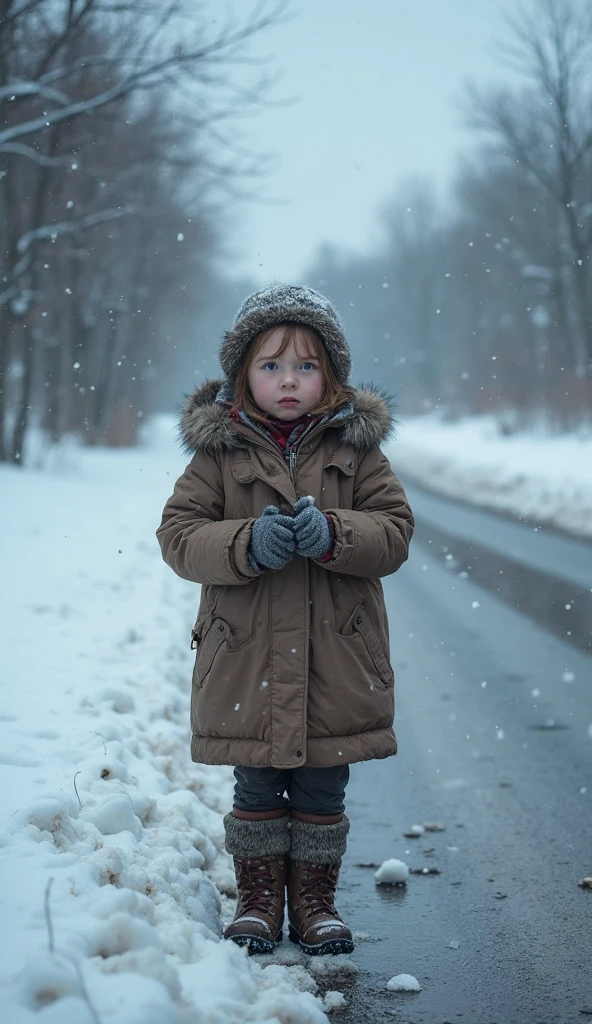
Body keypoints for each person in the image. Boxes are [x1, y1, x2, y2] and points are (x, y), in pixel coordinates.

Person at [156, 284, 414, 956]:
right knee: (258, 780)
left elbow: (394, 531)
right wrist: (245, 543)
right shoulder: (219, 455)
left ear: (331, 374)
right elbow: (178, 535)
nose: (289, 380)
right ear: (243, 374)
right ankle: (260, 899)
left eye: (305, 365)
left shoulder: (356, 450)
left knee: (323, 783)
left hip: (337, 657)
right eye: (271, 365)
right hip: (246, 655)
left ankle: (315, 902)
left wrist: (335, 533)